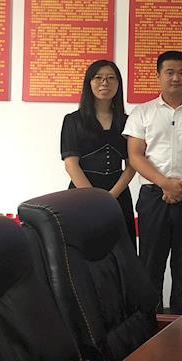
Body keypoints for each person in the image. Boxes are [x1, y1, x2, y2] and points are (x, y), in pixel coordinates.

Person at [124, 50, 182, 314]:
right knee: (150, 264)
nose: (176, 78)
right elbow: (135, 155)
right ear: (158, 75)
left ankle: (181, 322)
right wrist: (165, 183)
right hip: (153, 196)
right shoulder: (142, 113)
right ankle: (147, 322)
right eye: (170, 72)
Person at [60, 59, 137, 247]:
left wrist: (112, 196)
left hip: (118, 193)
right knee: (84, 248)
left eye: (111, 78)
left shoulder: (128, 121)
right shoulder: (73, 120)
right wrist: (94, 198)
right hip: (82, 194)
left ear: (118, 84)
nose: (105, 83)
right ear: (89, 82)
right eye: (98, 78)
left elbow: (132, 163)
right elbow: (71, 164)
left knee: (121, 249)